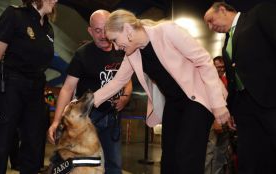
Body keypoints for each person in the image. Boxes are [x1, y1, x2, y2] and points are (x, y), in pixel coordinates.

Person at [92, 9, 232, 174]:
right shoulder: (133, 53)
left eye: (115, 40)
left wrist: (218, 104)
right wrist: (84, 103)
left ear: (128, 30)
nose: (115, 47)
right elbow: (117, 82)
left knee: (187, 156)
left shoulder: (167, 31)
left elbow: (204, 62)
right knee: (168, 159)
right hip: (174, 103)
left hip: (197, 99)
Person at [48, 10, 132, 174]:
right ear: (90, 31)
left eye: (105, 29)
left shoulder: (121, 49)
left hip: (112, 117)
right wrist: (56, 121)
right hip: (86, 120)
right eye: (97, 30)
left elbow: (127, 80)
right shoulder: (82, 54)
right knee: (82, 166)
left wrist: (126, 96)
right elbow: (67, 88)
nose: (102, 35)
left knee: (114, 165)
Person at [0, 0, 57, 173]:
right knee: (1, 145)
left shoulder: (48, 28)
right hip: (11, 85)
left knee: (33, 145)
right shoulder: (14, 15)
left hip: (36, 89)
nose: (55, 0)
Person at [204, 2, 276, 174]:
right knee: (250, 157)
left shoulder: (258, 14)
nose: (210, 27)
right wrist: (231, 110)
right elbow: (234, 81)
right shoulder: (227, 41)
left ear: (222, 9)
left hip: (270, 101)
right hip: (245, 109)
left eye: (211, 20)